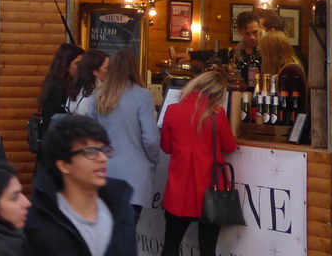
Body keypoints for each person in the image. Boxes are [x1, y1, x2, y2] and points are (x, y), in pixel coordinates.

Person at [25, 114, 136, 256]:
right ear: (64, 165)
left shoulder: (121, 209)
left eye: (104, 150)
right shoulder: (38, 224)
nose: (102, 158)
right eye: (90, 152)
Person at [160, 71, 237, 256]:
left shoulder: (172, 110)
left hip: (179, 190)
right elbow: (230, 146)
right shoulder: (217, 114)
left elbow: (166, 148)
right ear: (217, 93)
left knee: (170, 247)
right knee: (208, 250)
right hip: (210, 188)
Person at [89, 50, 159, 219]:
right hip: (134, 174)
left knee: (106, 229)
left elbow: (90, 135)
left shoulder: (98, 96)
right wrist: (153, 159)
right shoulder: (142, 96)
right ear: (134, 68)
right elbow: (151, 139)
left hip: (104, 172)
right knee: (127, 229)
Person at [36, 43, 85, 142]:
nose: (82, 68)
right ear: (65, 65)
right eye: (77, 63)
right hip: (58, 142)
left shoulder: (68, 84)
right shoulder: (57, 88)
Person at [66, 50, 108, 116]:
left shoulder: (77, 87)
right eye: (106, 68)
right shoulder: (99, 91)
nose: (111, 71)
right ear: (94, 71)